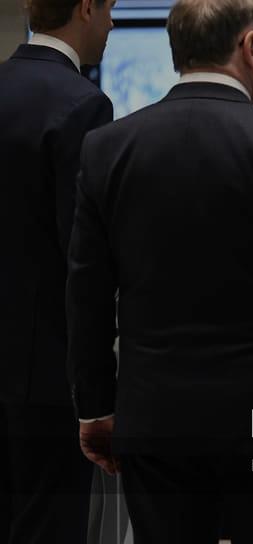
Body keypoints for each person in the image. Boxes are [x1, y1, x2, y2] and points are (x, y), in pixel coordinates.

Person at [65, 0, 253, 542]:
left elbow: (87, 294)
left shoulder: (108, 148)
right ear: (249, 47)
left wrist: (96, 407)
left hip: (154, 417)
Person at [0, 0, 115, 541]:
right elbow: (83, 263)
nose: (112, 23)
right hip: (44, 376)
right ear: (86, 8)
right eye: (111, 8)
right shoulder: (81, 105)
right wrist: (97, 395)